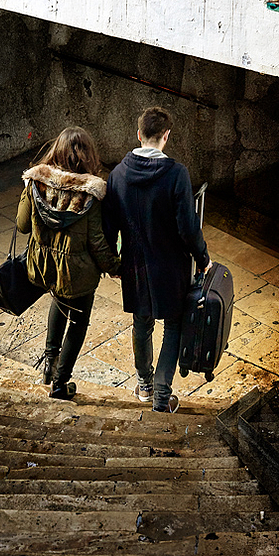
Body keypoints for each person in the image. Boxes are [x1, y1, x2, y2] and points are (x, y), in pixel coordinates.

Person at [103, 106, 210, 413]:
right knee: (173, 326)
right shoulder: (176, 174)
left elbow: (108, 226)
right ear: (166, 136)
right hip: (170, 266)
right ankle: (162, 396)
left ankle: (145, 385)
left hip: (134, 265)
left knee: (141, 323)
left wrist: (113, 261)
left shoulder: (117, 175)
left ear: (139, 135)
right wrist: (202, 257)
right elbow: (188, 227)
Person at [17, 126, 121, 400]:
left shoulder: (36, 182)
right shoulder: (91, 194)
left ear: (57, 150)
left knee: (59, 300)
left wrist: (28, 192)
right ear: (88, 154)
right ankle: (60, 384)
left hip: (45, 266)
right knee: (77, 322)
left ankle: (49, 366)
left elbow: (22, 225)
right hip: (78, 274)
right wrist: (115, 267)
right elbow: (97, 242)